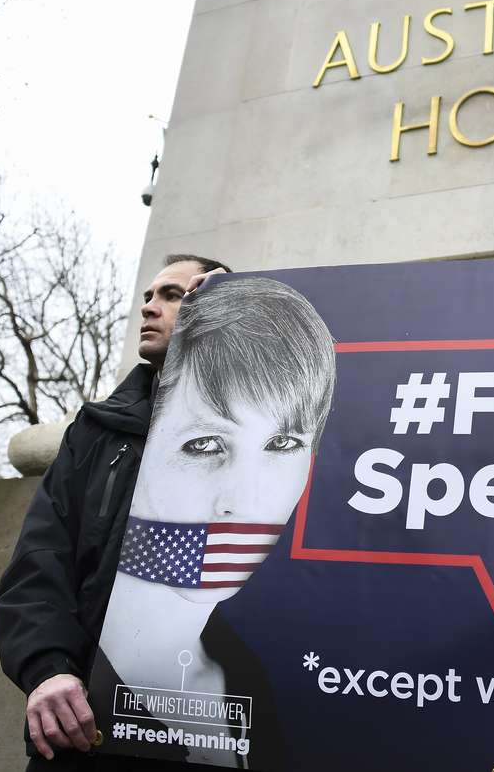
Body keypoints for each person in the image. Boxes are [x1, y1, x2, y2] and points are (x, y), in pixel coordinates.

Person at [0, 253, 232, 771]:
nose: (149, 307)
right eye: (149, 296)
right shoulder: (96, 430)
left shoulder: (259, 428)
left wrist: (244, 311)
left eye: (173, 295)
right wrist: (48, 668)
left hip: (202, 732)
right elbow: (40, 558)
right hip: (85, 726)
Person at [92, 275, 336, 768]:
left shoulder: (252, 680)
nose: (244, 500)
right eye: (204, 444)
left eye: (283, 443)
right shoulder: (80, 661)